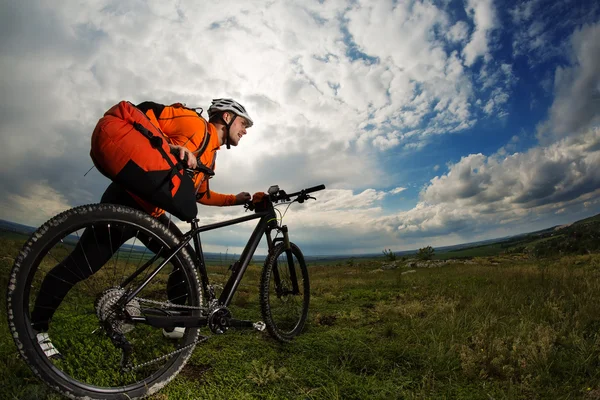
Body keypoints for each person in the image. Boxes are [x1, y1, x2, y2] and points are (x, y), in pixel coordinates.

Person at [31, 99, 254, 357]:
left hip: (153, 217)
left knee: (188, 263)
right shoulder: (193, 123)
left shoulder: (211, 157)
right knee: (81, 266)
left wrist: (234, 199)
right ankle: (36, 329)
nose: (245, 130)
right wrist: (170, 146)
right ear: (226, 117)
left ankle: (175, 323)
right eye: (243, 123)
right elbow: (144, 113)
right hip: (126, 201)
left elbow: (200, 194)